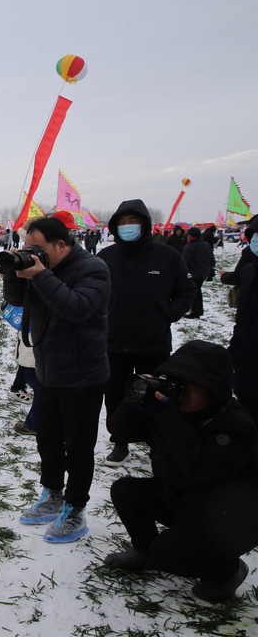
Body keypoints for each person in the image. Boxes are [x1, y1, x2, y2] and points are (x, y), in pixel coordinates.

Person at [104, 341, 258, 603]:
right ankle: (145, 552)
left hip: (230, 519)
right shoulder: (175, 409)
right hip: (184, 497)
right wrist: (138, 398)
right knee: (126, 491)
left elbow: (199, 469)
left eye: (191, 386)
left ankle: (227, 572)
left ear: (214, 390)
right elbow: (120, 431)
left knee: (168, 551)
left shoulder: (236, 427)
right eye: (177, 383)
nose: (181, 392)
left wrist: (167, 418)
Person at [3, 214, 110, 543]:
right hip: (47, 369)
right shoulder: (40, 271)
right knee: (47, 437)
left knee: (78, 445)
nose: (33, 253)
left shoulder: (93, 268)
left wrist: (41, 275)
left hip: (83, 374)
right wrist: (15, 273)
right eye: (28, 246)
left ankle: (75, 508)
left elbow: (77, 308)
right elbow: (18, 301)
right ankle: (52, 494)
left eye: (39, 247)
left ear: (61, 245)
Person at [97, 199, 196, 467]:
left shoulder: (166, 256)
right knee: (115, 394)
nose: (128, 226)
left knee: (156, 393)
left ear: (145, 224)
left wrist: (167, 314)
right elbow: (91, 294)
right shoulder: (105, 257)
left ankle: (156, 441)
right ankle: (120, 441)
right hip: (114, 342)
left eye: (133, 221)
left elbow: (187, 291)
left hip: (153, 342)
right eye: (123, 222)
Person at [220, 220, 258, 424]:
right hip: (247, 356)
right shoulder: (249, 271)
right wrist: (234, 349)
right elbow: (243, 317)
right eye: (255, 235)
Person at [181, 226, 214, 319]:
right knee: (197, 291)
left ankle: (195, 311)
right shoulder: (206, 244)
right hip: (204, 272)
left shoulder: (189, 246)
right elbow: (212, 258)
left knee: (193, 292)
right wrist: (211, 272)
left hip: (193, 273)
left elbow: (184, 261)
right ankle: (199, 310)